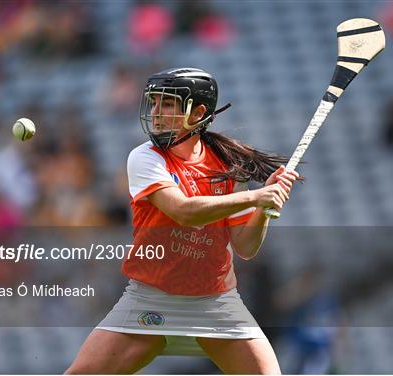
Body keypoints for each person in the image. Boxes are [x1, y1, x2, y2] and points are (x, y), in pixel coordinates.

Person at [66, 68, 299, 374]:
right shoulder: (145, 157)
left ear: (198, 112)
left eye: (167, 104)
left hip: (215, 303)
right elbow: (184, 211)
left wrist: (264, 210)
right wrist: (256, 197)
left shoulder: (228, 166)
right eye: (154, 103)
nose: (156, 113)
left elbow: (245, 246)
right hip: (151, 298)